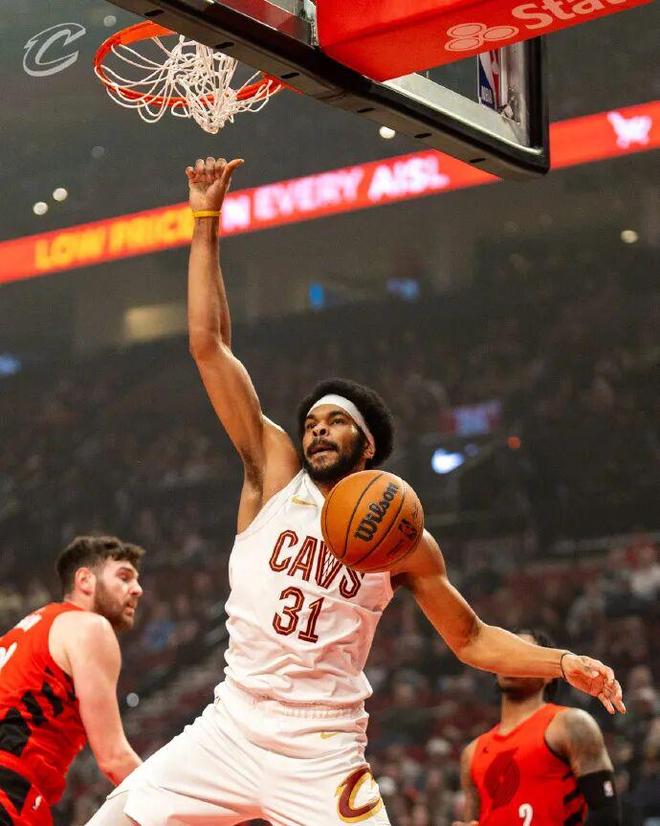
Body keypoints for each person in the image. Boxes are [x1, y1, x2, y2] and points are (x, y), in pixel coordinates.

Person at [87, 157, 625, 826]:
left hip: (323, 745)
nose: (317, 429)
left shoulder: (404, 536)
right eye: (312, 421)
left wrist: (563, 662)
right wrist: (205, 218)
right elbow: (208, 346)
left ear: (367, 445)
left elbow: (471, 638)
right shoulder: (273, 473)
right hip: (231, 725)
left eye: (336, 421)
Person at [0, 535, 144, 825]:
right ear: (85, 580)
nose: (137, 589)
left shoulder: (27, 629)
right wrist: (183, 805)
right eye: (124, 577)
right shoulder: (89, 627)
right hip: (9, 789)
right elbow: (114, 758)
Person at [454, 629, 621, 826]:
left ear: (549, 673)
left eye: (523, 655)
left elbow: (605, 814)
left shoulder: (570, 724)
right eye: (506, 654)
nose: (511, 662)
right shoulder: (472, 753)